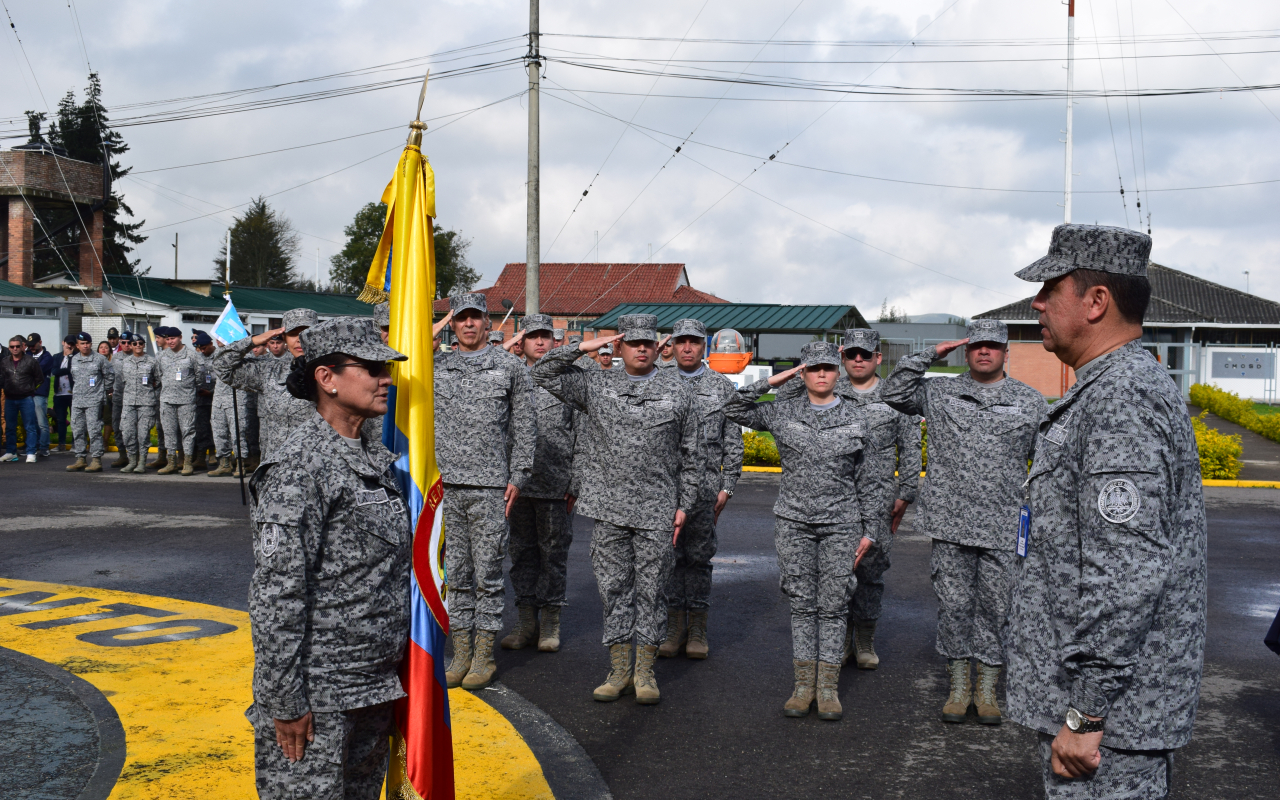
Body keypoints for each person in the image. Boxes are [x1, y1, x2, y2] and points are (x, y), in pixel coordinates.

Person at [1002, 224, 1207, 798]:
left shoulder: (1123, 397)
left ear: (1096, 302)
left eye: (1050, 289)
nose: (1037, 303)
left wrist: (1087, 712)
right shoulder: (1108, 385)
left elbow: (1127, 572)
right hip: (1105, 714)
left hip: (1109, 723)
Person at [247, 316, 409, 800]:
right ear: (327, 378)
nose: (386, 379)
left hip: (372, 682)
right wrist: (284, 700)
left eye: (387, 369)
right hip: (318, 693)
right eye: (372, 369)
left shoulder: (373, 456)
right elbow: (277, 595)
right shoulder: (301, 466)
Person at [880, 318, 1048, 725]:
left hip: (1003, 524)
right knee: (954, 605)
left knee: (997, 607)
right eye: (976, 345)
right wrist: (932, 353)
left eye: (992, 345)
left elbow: (1046, 464)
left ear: (1005, 352)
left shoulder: (1030, 401)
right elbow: (893, 391)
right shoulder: (939, 392)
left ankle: (986, 690)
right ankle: (958, 688)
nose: (984, 351)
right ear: (966, 350)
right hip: (951, 522)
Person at [533, 313, 700, 705]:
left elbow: (693, 455)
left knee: (652, 591)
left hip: (657, 508)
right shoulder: (596, 384)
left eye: (647, 343)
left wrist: (685, 504)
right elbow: (542, 372)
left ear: (658, 348)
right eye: (633, 343)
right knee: (613, 590)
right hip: (608, 508)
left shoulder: (679, 391)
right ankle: (619, 670)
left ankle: (645, 672)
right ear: (620, 347)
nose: (641, 349)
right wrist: (582, 346)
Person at [724, 341, 875, 721]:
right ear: (803, 372)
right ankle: (803, 686)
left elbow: (870, 480)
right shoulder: (782, 411)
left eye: (828, 367)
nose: (822, 374)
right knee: (802, 604)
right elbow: (732, 407)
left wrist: (870, 530)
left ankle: (828, 689)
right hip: (794, 522)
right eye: (813, 368)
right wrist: (776, 379)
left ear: (838, 372)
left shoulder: (859, 417)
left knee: (834, 605)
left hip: (841, 523)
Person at [776, 329, 922, 670]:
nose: (858, 359)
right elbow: (785, 398)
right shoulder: (829, 388)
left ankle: (865, 639)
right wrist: (810, 364)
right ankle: (839, 639)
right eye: (851, 353)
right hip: (833, 497)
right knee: (833, 575)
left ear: (878, 357)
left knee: (870, 569)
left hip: (877, 496)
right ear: (842, 358)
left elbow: (911, 445)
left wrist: (906, 493)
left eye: (865, 354)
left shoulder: (894, 396)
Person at [435, 293, 537, 691]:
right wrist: (431, 331)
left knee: (487, 575)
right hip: (445, 486)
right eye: (461, 318)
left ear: (487, 322)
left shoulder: (509, 366)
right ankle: (460, 654)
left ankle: (483, 656)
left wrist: (519, 475)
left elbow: (525, 425)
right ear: (452, 324)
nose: (468, 324)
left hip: (491, 486)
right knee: (456, 574)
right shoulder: (437, 365)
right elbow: (398, 357)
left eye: (475, 317)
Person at [658, 319, 743, 660]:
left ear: (704, 345)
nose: (687, 347)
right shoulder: (659, 381)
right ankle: (673, 626)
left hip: (706, 490)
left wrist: (728, 486)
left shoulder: (721, 387)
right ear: (672, 345)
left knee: (698, 559)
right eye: (681, 341)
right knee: (667, 558)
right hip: (664, 487)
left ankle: (697, 629)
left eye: (694, 341)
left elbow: (732, 441)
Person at [499, 314, 581, 655]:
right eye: (533, 336)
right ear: (521, 342)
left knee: (553, 555)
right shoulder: (509, 375)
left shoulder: (571, 379)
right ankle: (525, 620)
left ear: (554, 341)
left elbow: (584, 434)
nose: (540, 342)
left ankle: (550, 621)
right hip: (517, 485)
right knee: (521, 554)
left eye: (546, 336)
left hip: (555, 483)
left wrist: (575, 481)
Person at [212, 309, 319, 464]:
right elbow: (222, 367)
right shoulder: (270, 370)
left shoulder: (337, 372)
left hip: (318, 464)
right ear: (284, 337)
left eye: (306, 333)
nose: (299, 339)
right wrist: (253, 341)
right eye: (293, 334)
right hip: (278, 464)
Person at [156, 327, 204, 476]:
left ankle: (187, 463)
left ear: (180, 337)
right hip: (167, 399)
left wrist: (189, 389)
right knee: (169, 431)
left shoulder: (192, 355)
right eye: (168, 339)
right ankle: (171, 462)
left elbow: (200, 377)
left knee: (188, 431)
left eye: (173, 338)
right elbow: (159, 375)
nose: (170, 341)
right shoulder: (161, 356)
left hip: (186, 399)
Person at [66, 332, 112, 472]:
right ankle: (80, 458)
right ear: (77, 346)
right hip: (77, 400)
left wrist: (102, 391)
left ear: (91, 344)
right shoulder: (74, 359)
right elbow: (74, 377)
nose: (85, 346)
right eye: (82, 344)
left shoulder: (99, 359)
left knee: (94, 430)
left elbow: (110, 376)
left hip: (94, 400)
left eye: (87, 343)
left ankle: (96, 460)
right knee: (78, 429)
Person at [118, 333, 161, 473]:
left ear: (144, 345)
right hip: (129, 402)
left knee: (143, 434)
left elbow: (158, 381)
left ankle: (141, 462)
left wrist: (151, 394)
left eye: (140, 343)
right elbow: (122, 381)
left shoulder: (152, 362)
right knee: (127, 432)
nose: (138, 346)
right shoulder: (125, 362)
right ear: (130, 346)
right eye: (134, 344)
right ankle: (132, 462)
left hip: (146, 403)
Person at [1, 335, 44, 463]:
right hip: (9, 398)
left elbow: (39, 379)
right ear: (9, 348)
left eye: (17, 346)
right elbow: (1, 378)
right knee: (10, 427)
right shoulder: (4, 362)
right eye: (12, 346)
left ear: (22, 347)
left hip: (26, 398)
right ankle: (11, 452)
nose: (15, 348)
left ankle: (31, 452)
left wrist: (30, 389)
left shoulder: (30, 361)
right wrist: (5, 387)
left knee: (30, 426)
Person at [190, 330, 217, 470]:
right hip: (201, 400)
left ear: (211, 344)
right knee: (201, 429)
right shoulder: (197, 357)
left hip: (216, 400)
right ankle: (200, 457)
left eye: (204, 348)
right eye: (200, 348)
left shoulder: (219, 356)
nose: (202, 351)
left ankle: (213, 453)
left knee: (216, 429)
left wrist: (211, 392)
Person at [26, 332, 53, 458]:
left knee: (42, 422)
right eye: (29, 345)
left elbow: (37, 370)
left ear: (40, 343)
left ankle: (44, 447)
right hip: (27, 392)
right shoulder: (27, 354)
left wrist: (27, 369)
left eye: (33, 345)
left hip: (40, 393)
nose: (31, 347)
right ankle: (32, 446)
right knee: (30, 422)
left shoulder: (47, 357)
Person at [106, 334, 131, 469]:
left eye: (129, 342)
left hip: (133, 398)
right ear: (120, 343)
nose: (126, 345)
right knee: (117, 426)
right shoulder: (115, 358)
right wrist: (110, 390)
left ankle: (134, 457)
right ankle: (122, 455)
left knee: (132, 428)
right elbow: (110, 376)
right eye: (123, 342)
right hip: (118, 398)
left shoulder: (138, 356)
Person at [50, 336, 76, 452]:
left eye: (72, 344)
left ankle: (75, 444)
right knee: (61, 420)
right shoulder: (57, 356)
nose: (69, 346)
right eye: (67, 343)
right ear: (63, 343)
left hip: (73, 393)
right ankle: (61, 444)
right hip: (59, 394)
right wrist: (67, 369)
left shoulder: (76, 357)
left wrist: (70, 357)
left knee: (75, 419)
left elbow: (74, 370)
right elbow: (54, 371)